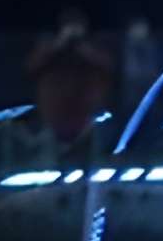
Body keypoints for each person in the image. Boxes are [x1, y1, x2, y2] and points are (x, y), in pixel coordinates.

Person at [27, 9, 115, 152]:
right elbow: (33, 66)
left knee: (87, 149)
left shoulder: (94, 44)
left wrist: (83, 48)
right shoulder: (49, 44)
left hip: (84, 108)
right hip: (55, 109)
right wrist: (59, 44)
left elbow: (106, 66)